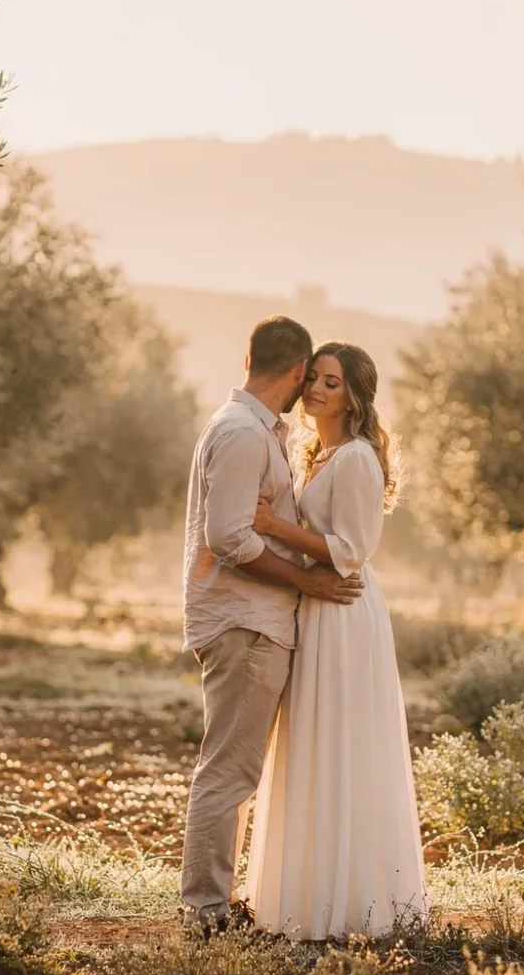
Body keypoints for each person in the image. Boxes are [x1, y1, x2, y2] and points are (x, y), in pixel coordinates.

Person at [179, 316, 364, 935]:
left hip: (253, 621)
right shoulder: (241, 432)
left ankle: (214, 904)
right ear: (293, 371)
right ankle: (205, 912)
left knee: (235, 767)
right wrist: (311, 582)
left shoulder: (255, 430)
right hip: (244, 622)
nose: (307, 389)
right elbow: (229, 536)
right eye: (308, 377)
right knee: (229, 770)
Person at [242, 341, 428, 939]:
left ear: (354, 397)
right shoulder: (312, 453)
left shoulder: (355, 460)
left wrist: (275, 526)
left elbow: (351, 552)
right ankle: (306, 895)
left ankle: (353, 902)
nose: (317, 390)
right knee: (311, 741)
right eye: (314, 379)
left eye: (333, 382)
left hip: (343, 613)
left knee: (342, 742)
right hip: (312, 605)